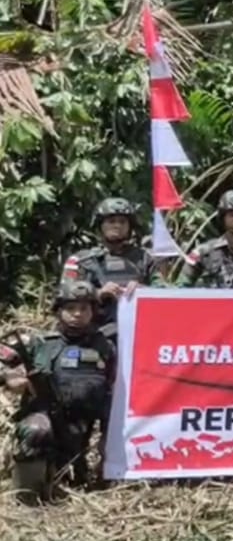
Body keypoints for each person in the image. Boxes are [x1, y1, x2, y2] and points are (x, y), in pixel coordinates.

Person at [1, 281, 116, 504]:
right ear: (59, 310)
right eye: (71, 308)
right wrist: (9, 378)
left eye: (84, 309)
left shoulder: (105, 346)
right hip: (43, 418)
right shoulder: (38, 343)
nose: (77, 314)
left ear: (93, 312)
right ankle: (28, 500)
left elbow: (114, 390)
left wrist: (108, 436)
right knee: (37, 430)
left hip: (81, 428)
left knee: (76, 471)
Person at [61, 196, 160, 335]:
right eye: (111, 221)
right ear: (100, 225)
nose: (117, 225)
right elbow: (63, 297)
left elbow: (165, 294)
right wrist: (98, 293)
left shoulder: (146, 259)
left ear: (130, 226)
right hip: (93, 335)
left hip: (139, 332)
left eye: (122, 221)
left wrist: (144, 291)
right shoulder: (81, 260)